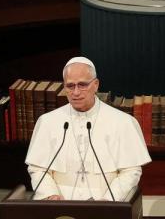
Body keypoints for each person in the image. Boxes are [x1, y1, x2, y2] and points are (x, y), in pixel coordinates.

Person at [25, 57, 151, 201]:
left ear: (96, 85)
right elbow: (38, 168)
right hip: (59, 207)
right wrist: (51, 194)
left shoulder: (123, 122)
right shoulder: (47, 122)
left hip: (105, 207)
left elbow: (131, 171)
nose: (76, 92)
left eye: (82, 85)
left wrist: (109, 200)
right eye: (70, 86)